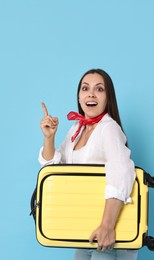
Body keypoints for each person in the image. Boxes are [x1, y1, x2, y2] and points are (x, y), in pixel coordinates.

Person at [39, 68, 137, 260]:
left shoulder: (109, 128)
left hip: (108, 235)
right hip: (85, 232)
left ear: (108, 97)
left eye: (99, 89)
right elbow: (55, 172)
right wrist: (49, 138)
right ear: (79, 96)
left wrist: (107, 227)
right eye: (85, 88)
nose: (91, 93)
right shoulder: (77, 129)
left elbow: (121, 172)